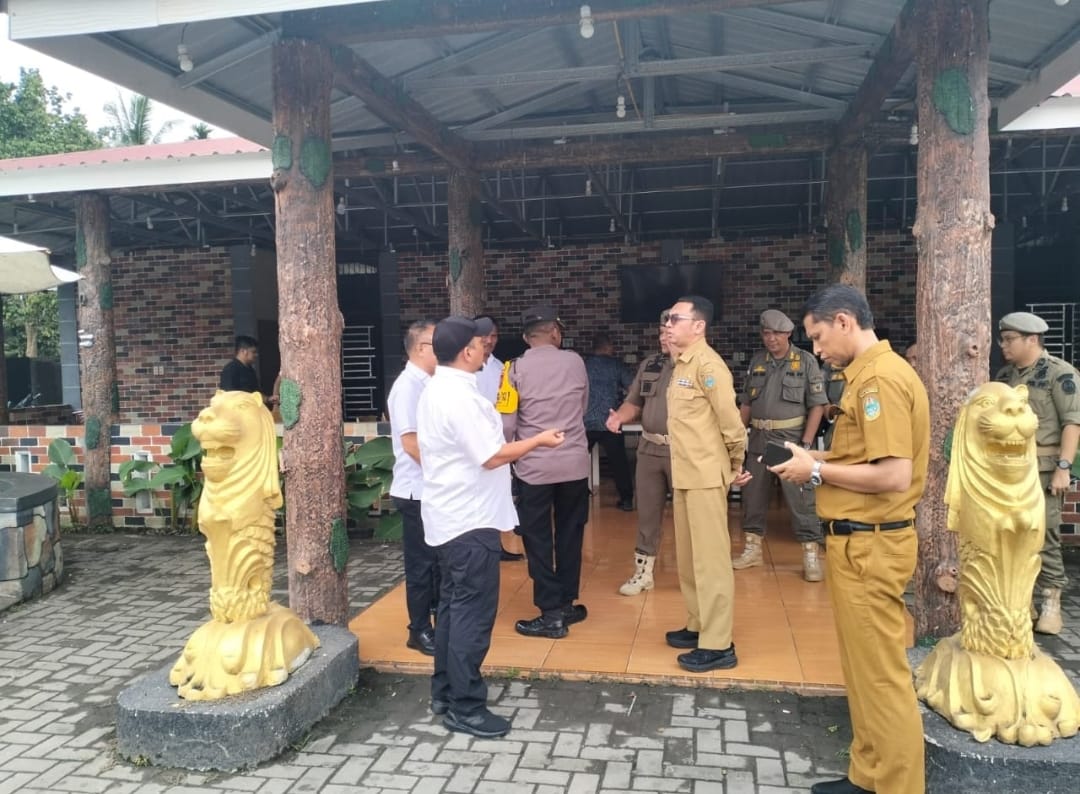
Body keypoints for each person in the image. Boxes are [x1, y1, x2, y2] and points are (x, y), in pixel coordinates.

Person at [771, 283, 929, 794]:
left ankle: (897, 786)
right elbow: (863, 460)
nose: (816, 350)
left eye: (817, 337)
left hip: (872, 542)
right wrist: (813, 458)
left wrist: (815, 473)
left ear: (843, 321)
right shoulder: (865, 376)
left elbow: (891, 475)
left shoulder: (880, 379)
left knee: (881, 676)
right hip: (859, 540)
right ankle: (869, 775)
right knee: (862, 673)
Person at [417, 315, 565, 739]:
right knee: (471, 616)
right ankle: (466, 706)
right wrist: (538, 440)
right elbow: (492, 455)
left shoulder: (439, 389)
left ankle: (445, 693)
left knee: (450, 610)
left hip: (450, 517)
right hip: (470, 522)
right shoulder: (458, 397)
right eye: (482, 345)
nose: (487, 351)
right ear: (467, 351)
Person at [662, 295, 750, 672]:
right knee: (689, 558)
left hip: (704, 476)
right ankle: (699, 624)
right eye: (667, 318)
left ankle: (718, 644)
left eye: (676, 318)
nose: (667, 323)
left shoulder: (709, 366)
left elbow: (731, 422)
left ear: (698, 326)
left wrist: (734, 464)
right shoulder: (681, 363)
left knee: (711, 561)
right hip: (685, 474)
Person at [502, 304, 591, 639]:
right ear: (555, 332)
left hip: (534, 467)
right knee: (571, 532)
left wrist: (506, 454)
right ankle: (567, 602)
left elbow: (508, 420)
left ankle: (551, 613)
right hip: (573, 464)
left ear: (526, 338)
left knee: (537, 539)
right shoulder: (576, 361)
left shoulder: (512, 369)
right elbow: (582, 406)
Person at [994, 311, 1079, 635]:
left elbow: (1072, 422)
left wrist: (1063, 468)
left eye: (1010, 339)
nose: (1004, 345)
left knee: (1045, 534)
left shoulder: (1059, 373)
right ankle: (1022, 600)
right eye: (1003, 339)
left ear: (1032, 339)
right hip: (1010, 471)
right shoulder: (1004, 377)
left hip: (1044, 470)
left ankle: (1051, 601)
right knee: (1012, 535)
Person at [735, 309, 827, 581]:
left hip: (787, 443)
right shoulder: (758, 361)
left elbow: (817, 406)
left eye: (776, 333)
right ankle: (752, 550)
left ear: (788, 334)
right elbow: (747, 404)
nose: (771, 338)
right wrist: (738, 438)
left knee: (800, 499)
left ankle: (810, 554)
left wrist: (807, 443)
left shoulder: (805, 361)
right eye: (766, 333)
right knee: (753, 496)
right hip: (758, 440)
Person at [606, 317, 674, 595]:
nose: (662, 337)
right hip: (649, 449)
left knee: (691, 516)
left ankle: (698, 575)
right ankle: (643, 572)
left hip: (685, 451)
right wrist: (619, 418)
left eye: (668, 332)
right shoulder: (651, 365)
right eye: (660, 332)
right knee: (646, 511)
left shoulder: (703, 366)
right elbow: (634, 401)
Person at [386, 319, 440, 656]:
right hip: (416, 490)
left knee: (434, 563)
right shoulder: (408, 387)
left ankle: (431, 621)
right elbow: (411, 444)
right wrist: (445, 475)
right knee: (420, 566)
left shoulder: (429, 383)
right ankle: (418, 630)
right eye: (438, 343)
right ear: (421, 348)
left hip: (430, 489)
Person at [474, 314, 526, 563]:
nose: (490, 340)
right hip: (472, 444)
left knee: (496, 496)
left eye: (494, 335)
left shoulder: (501, 368)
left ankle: (496, 545)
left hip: (497, 443)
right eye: (486, 335)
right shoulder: (462, 370)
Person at [585, 332, 635, 510]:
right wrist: (626, 409)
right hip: (610, 420)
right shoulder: (616, 365)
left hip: (586, 421)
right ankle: (627, 500)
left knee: (578, 460)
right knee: (619, 462)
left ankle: (580, 495)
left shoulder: (584, 365)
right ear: (607, 347)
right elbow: (633, 390)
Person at [219, 335, 276, 407]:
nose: (256, 355)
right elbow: (229, 396)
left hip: (251, 411)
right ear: (243, 351)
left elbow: (255, 392)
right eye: (254, 352)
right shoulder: (230, 369)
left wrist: (268, 399)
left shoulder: (250, 370)